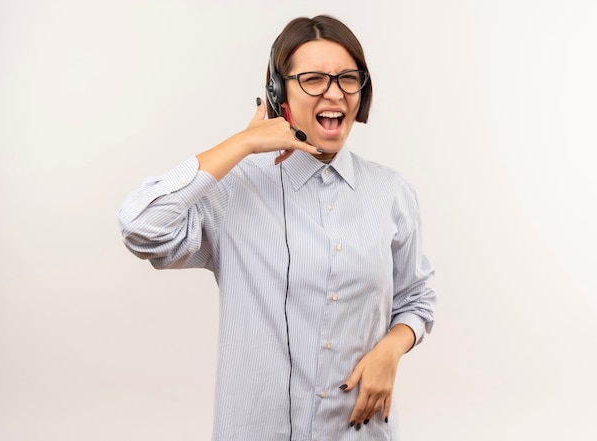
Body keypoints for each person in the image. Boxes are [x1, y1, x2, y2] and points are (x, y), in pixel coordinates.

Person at [118, 14, 436, 441]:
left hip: (360, 433)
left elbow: (416, 298)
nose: (334, 93)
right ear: (277, 91)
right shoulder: (234, 188)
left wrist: (392, 350)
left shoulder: (392, 192)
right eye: (313, 79)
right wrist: (243, 143)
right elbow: (141, 227)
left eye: (347, 78)